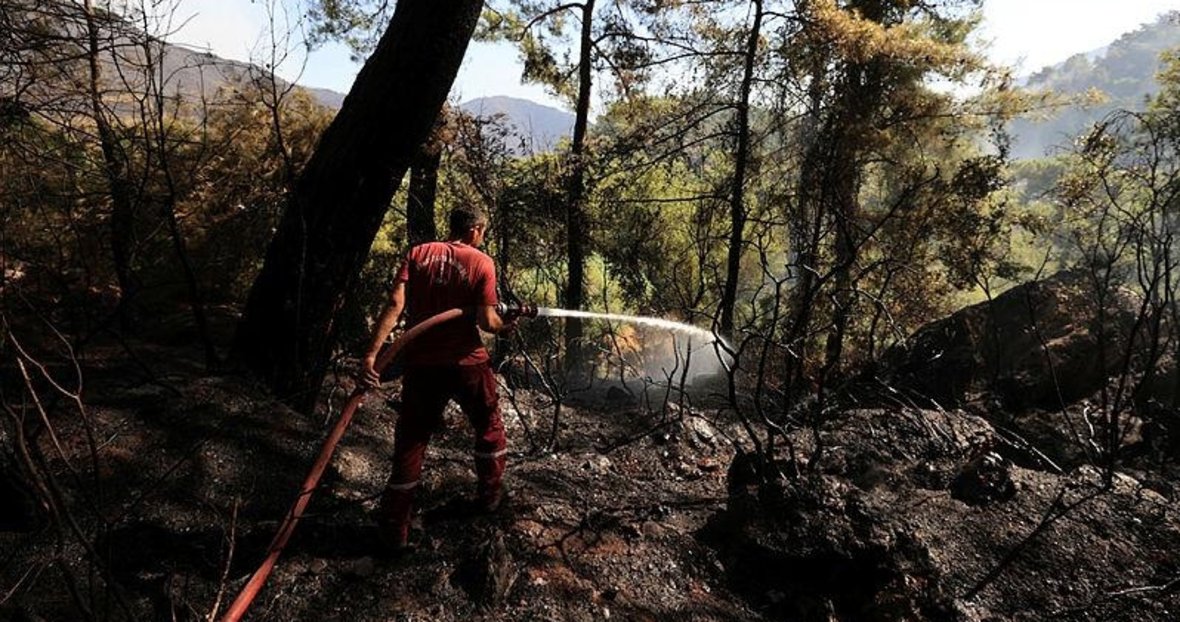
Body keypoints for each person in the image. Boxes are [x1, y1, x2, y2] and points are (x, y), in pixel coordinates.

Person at [361, 206, 516, 551]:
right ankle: (491, 495)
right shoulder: (481, 262)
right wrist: (508, 324)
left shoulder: (418, 254)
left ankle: (394, 527)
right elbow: (486, 322)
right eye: (483, 233)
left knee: (412, 440)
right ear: (475, 230)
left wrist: (372, 354)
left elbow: (394, 303)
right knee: (489, 425)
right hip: (467, 363)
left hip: (421, 364)